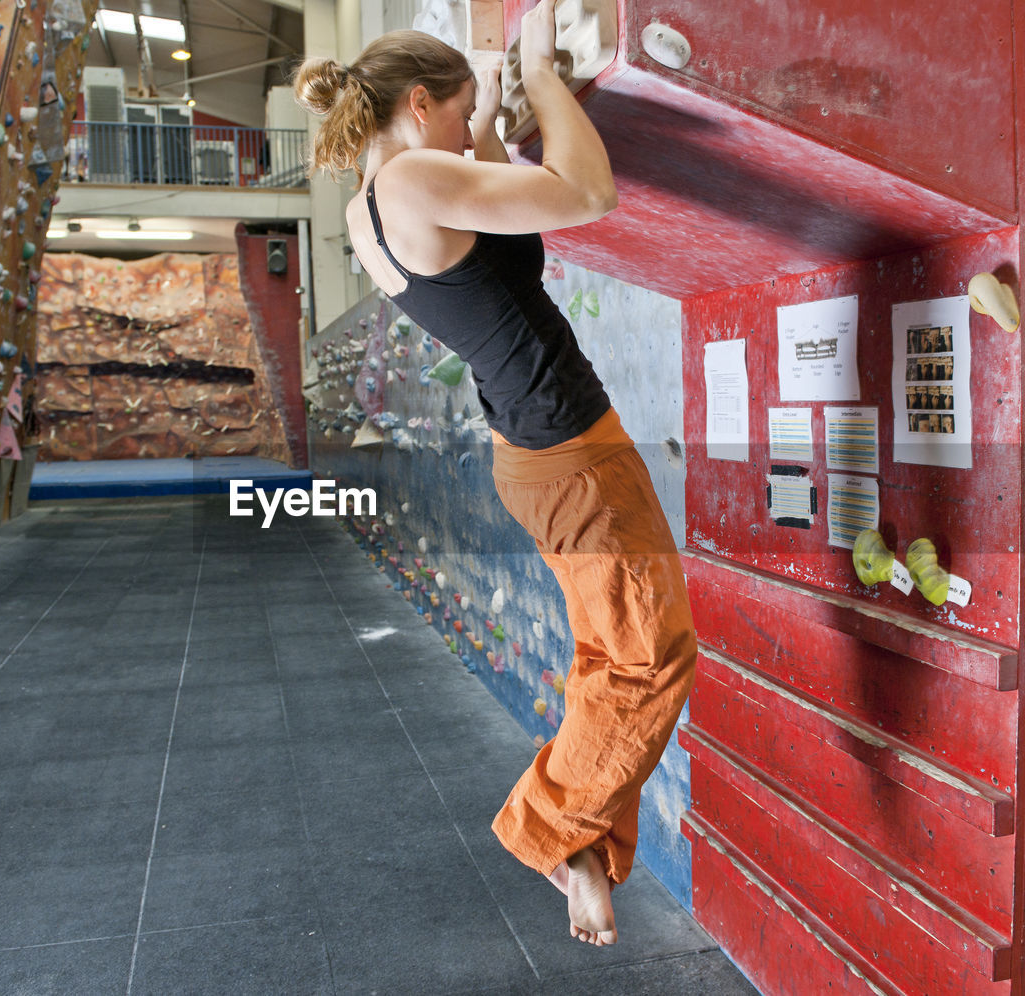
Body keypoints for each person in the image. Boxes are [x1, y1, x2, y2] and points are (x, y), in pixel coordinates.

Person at [294, 0, 697, 947]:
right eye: (462, 108)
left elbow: (471, 161)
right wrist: (544, 76)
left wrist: (498, 80)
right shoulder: (413, 184)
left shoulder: (371, 203)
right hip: (568, 454)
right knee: (651, 656)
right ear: (421, 104)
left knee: (612, 657)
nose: (473, 126)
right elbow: (586, 193)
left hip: (542, 454)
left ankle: (584, 845)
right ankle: (553, 832)